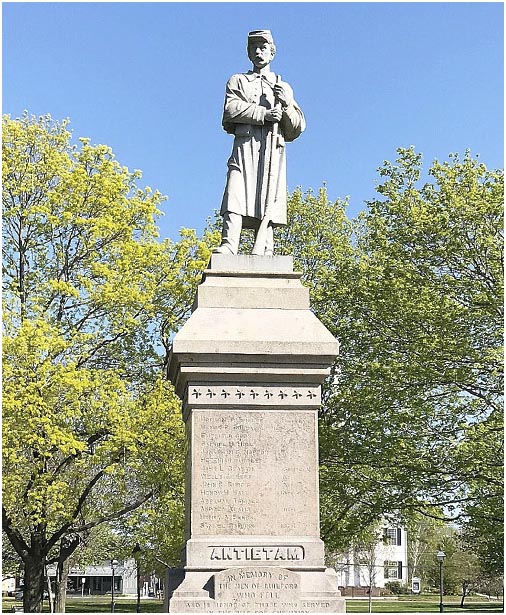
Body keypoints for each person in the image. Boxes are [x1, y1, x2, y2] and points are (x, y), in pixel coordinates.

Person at [214, 30, 305, 256]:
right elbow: (230, 110)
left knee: (268, 197)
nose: (258, 51)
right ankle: (229, 244)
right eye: (253, 47)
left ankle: (265, 246)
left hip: (272, 150)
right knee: (235, 191)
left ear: (272, 52)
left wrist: (286, 106)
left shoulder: (283, 86)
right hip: (245, 147)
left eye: (263, 47)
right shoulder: (238, 81)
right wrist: (264, 114)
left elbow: (296, 127)